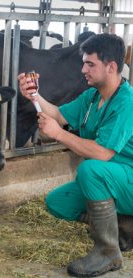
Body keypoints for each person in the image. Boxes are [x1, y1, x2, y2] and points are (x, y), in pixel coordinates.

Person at [18, 33, 133, 277]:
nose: (83, 69)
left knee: (90, 170)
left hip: (127, 179)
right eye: (84, 62)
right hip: (114, 180)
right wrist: (34, 96)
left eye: (90, 64)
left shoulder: (127, 103)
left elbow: (102, 154)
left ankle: (108, 252)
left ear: (111, 67)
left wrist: (59, 134)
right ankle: (124, 226)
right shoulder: (93, 97)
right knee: (57, 203)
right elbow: (59, 115)